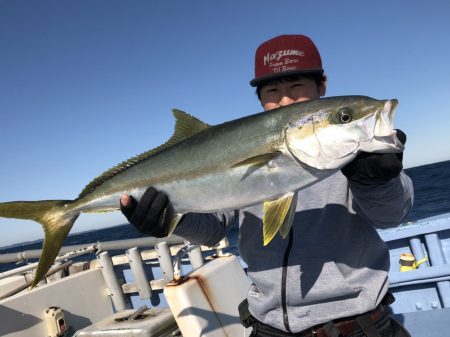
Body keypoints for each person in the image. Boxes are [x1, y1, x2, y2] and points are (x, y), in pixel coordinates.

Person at [120, 35, 414, 337]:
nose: (285, 100)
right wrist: (170, 219)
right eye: (273, 91)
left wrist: (379, 182)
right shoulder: (240, 146)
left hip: (357, 327)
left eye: (297, 86)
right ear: (260, 98)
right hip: (268, 328)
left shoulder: (356, 157)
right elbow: (212, 231)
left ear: (322, 86)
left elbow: (391, 216)